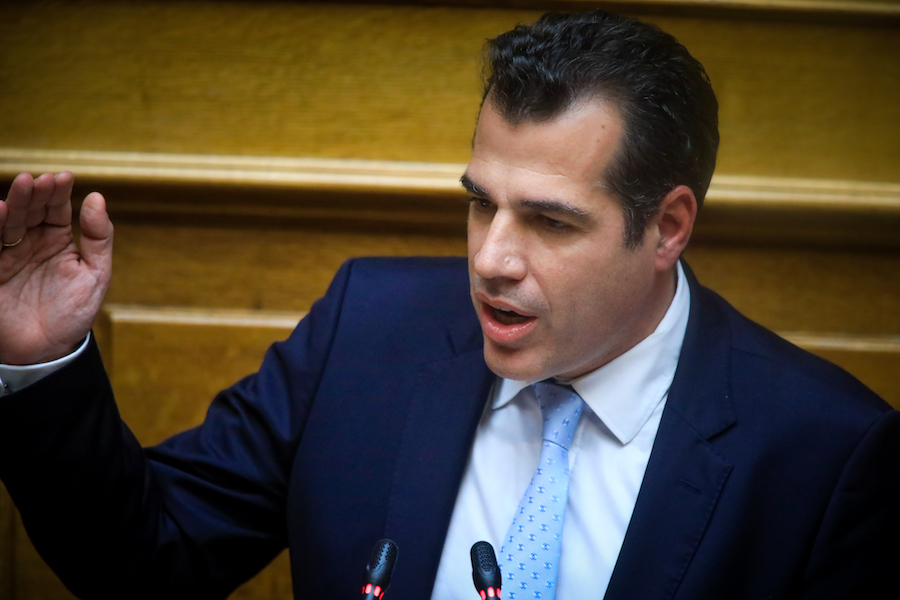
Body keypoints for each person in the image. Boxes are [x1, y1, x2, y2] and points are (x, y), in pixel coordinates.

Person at [1, 9, 898, 600]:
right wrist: (42, 361)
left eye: (550, 221)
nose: (491, 260)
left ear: (666, 227)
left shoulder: (827, 455)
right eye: (480, 203)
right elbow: (149, 556)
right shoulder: (366, 328)